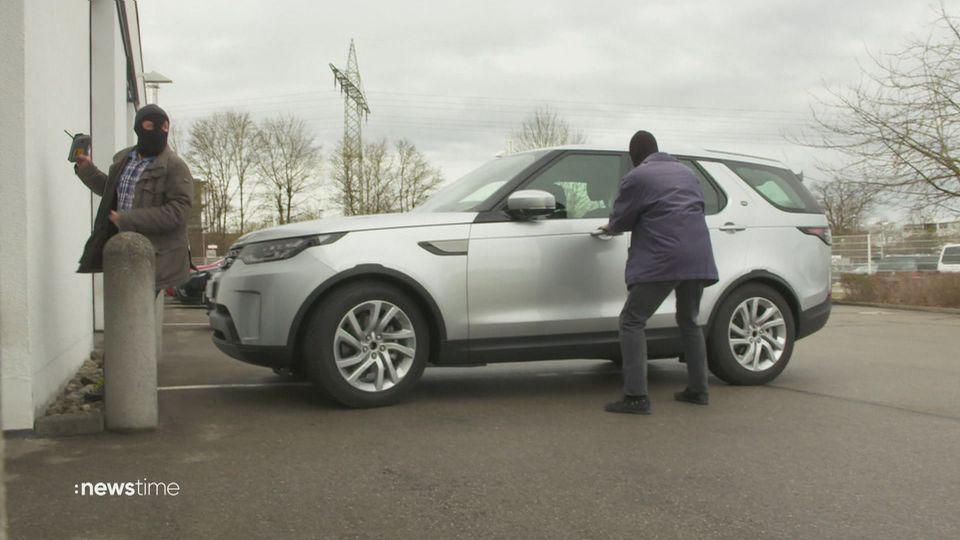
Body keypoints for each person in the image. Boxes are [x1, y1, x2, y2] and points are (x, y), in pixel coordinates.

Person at [74, 104, 193, 400]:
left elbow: (178, 212)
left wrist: (129, 219)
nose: (158, 132)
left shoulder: (175, 167)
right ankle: (118, 385)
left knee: (132, 324)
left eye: (164, 126)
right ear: (139, 128)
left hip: (152, 260)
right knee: (118, 320)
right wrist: (86, 169)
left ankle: (127, 388)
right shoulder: (124, 161)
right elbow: (109, 189)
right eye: (150, 127)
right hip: (120, 255)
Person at [600, 130, 718, 415]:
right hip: (697, 256)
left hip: (664, 257)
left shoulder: (638, 177)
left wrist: (610, 227)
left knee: (632, 320)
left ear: (634, 156)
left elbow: (621, 218)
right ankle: (698, 390)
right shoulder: (687, 173)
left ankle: (636, 396)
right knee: (689, 320)